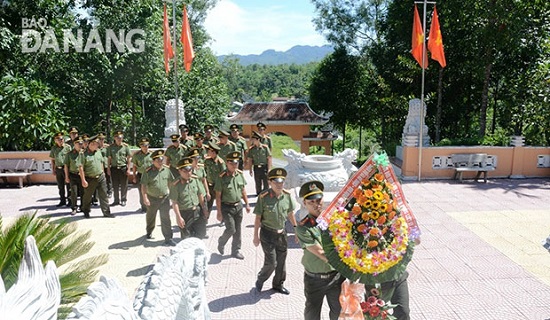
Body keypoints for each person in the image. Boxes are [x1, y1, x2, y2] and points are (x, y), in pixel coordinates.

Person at [296, 181, 343, 320]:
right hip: (315, 279)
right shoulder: (303, 227)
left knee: (338, 312)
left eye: (319, 200)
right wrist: (348, 261)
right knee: (312, 314)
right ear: (304, 203)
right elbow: (321, 253)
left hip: (335, 276)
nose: (317, 205)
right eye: (311, 202)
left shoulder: (334, 220)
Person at [253, 168, 297, 295]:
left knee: (281, 262)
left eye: (281, 182)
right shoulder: (263, 197)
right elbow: (257, 218)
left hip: (282, 234)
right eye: (276, 182)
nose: (279, 185)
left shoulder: (287, 196)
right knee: (272, 262)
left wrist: (295, 229)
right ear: (270, 182)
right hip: (267, 234)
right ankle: (261, 279)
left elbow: (290, 213)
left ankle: (278, 284)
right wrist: (255, 236)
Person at [215, 151, 251, 260]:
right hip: (227, 207)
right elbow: (218, 196)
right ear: (227, 163)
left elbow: (243, 190)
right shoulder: (221, 177)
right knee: (231, 229)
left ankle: (235, 250)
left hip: (238, 206)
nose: (234, 165)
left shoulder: (239, 174)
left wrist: (247, 204)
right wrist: (219, 212)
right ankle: (221, 241)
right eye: (232, 163)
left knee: (238, 229)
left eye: (236, 163)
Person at [141, 149, 175, 246]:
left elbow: (170, 182)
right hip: (152, 198)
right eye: (158, 161)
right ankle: (149, 231)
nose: (160, 162)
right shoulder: (148, 172)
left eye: (161, 160)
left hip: (164, 199)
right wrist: (145, 198)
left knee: (166, 218)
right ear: (153, 161)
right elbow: (143, 186)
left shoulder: (166, 170)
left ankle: (168, 238)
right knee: (151, 217)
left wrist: (171, 195)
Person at [170, 157, 208, 239]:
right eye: (185, 171)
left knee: (201, 233)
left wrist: (204, 208)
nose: (188, 173)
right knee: (186, 237)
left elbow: (200, 194)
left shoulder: (195, 180)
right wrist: (178, 217)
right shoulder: (176, 185)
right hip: (185, 213)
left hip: (197, 211)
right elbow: (174, 202)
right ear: (179, 171)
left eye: (190, 170)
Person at [77, 135, 114, 218]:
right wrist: (83, 180)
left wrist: (103, 173)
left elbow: (101, 162)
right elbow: (80, 167)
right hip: (90, 178)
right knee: (87, 196)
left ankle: (106, 212)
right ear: (91, 144)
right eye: (96, 143)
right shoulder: (83, 154)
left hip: (100, 177)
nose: (98, 145)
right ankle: (86, 211)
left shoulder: (98, 152)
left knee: (104, 195)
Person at [186, 147, 210, 239]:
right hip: (193, 196)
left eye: (197, 158)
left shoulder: (201, 168)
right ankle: (193, 232)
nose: (196, 160)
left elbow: (204, 180)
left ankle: (203, 231)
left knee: (204, 213)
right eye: (194, 158)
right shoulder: (188, 170)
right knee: (194, 215)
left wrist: (207, 192)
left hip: (202, 194)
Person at [107, 130, 131, 206]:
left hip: (123, 167)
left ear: (122, 138)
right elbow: (109, 159)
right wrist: (108, 168)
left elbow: (129, 158)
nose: (119, 139)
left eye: (120, 138)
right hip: (114, 168)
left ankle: (123, 199)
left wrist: (129, 168)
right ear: (114, 138)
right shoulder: (111, 147)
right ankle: (116, 200)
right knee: (115, 185)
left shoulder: (125, 147)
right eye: (117, 138)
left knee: (124, 185)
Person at [203, 141, 226, 214]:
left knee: (220, 202)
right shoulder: (207, 161)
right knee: (208, 203)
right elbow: (205, 171)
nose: (208, 152)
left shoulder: (220, 162)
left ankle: (222, 218)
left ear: (213, 152)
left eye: (209, 151)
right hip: (209, 185)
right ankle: (206, 218)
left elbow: (224, 173)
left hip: (218, 186)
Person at [49, 132, 71, 207]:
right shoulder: (54, 148)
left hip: (66, 169)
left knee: (69, 185)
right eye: (58, 139)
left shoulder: (67, 147)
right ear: (55, 140)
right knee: (60, 186)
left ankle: (70, 201)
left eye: (61, 139)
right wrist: (53, 169)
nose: (60, 140)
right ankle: (62, 200)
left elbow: (71, 158)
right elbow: (52, 160)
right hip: (58, 169)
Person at [64, 136, 84, 215]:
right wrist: (66, 176)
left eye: (81, 143)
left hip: (82, 175)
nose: (80, 145)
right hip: (73, 175)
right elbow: (66, 166)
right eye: (78, 143)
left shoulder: (84, 153)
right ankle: (74, 208)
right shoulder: (69, 154)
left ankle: (83, 207)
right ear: (74, 144)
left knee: (83, 192)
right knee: (74, 193)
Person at [247, 131, 272, 195]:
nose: (252, 141)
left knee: (266, 182)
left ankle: (266, 195)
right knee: (257, 182)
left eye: (254, 140)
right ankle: (259, 195)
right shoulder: (251, 149)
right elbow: (250, 160)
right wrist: (250, 169)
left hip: (264, 167)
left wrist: (269, 169)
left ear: (258, 140)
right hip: (256, 168)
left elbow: (269, 158)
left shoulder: (265, 148)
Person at [132, 137, 153, 212]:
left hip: (151, 175)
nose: (145, 147)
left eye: (146, 145)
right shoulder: (136, 155)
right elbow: (134, 166)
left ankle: (151, 206)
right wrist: (134, 176)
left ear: (148, 145)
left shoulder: (152, 154)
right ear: (140, 146)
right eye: (143, 145)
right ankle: (144, 207)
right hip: (141, 175)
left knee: (151, 191)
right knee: (142, 192)